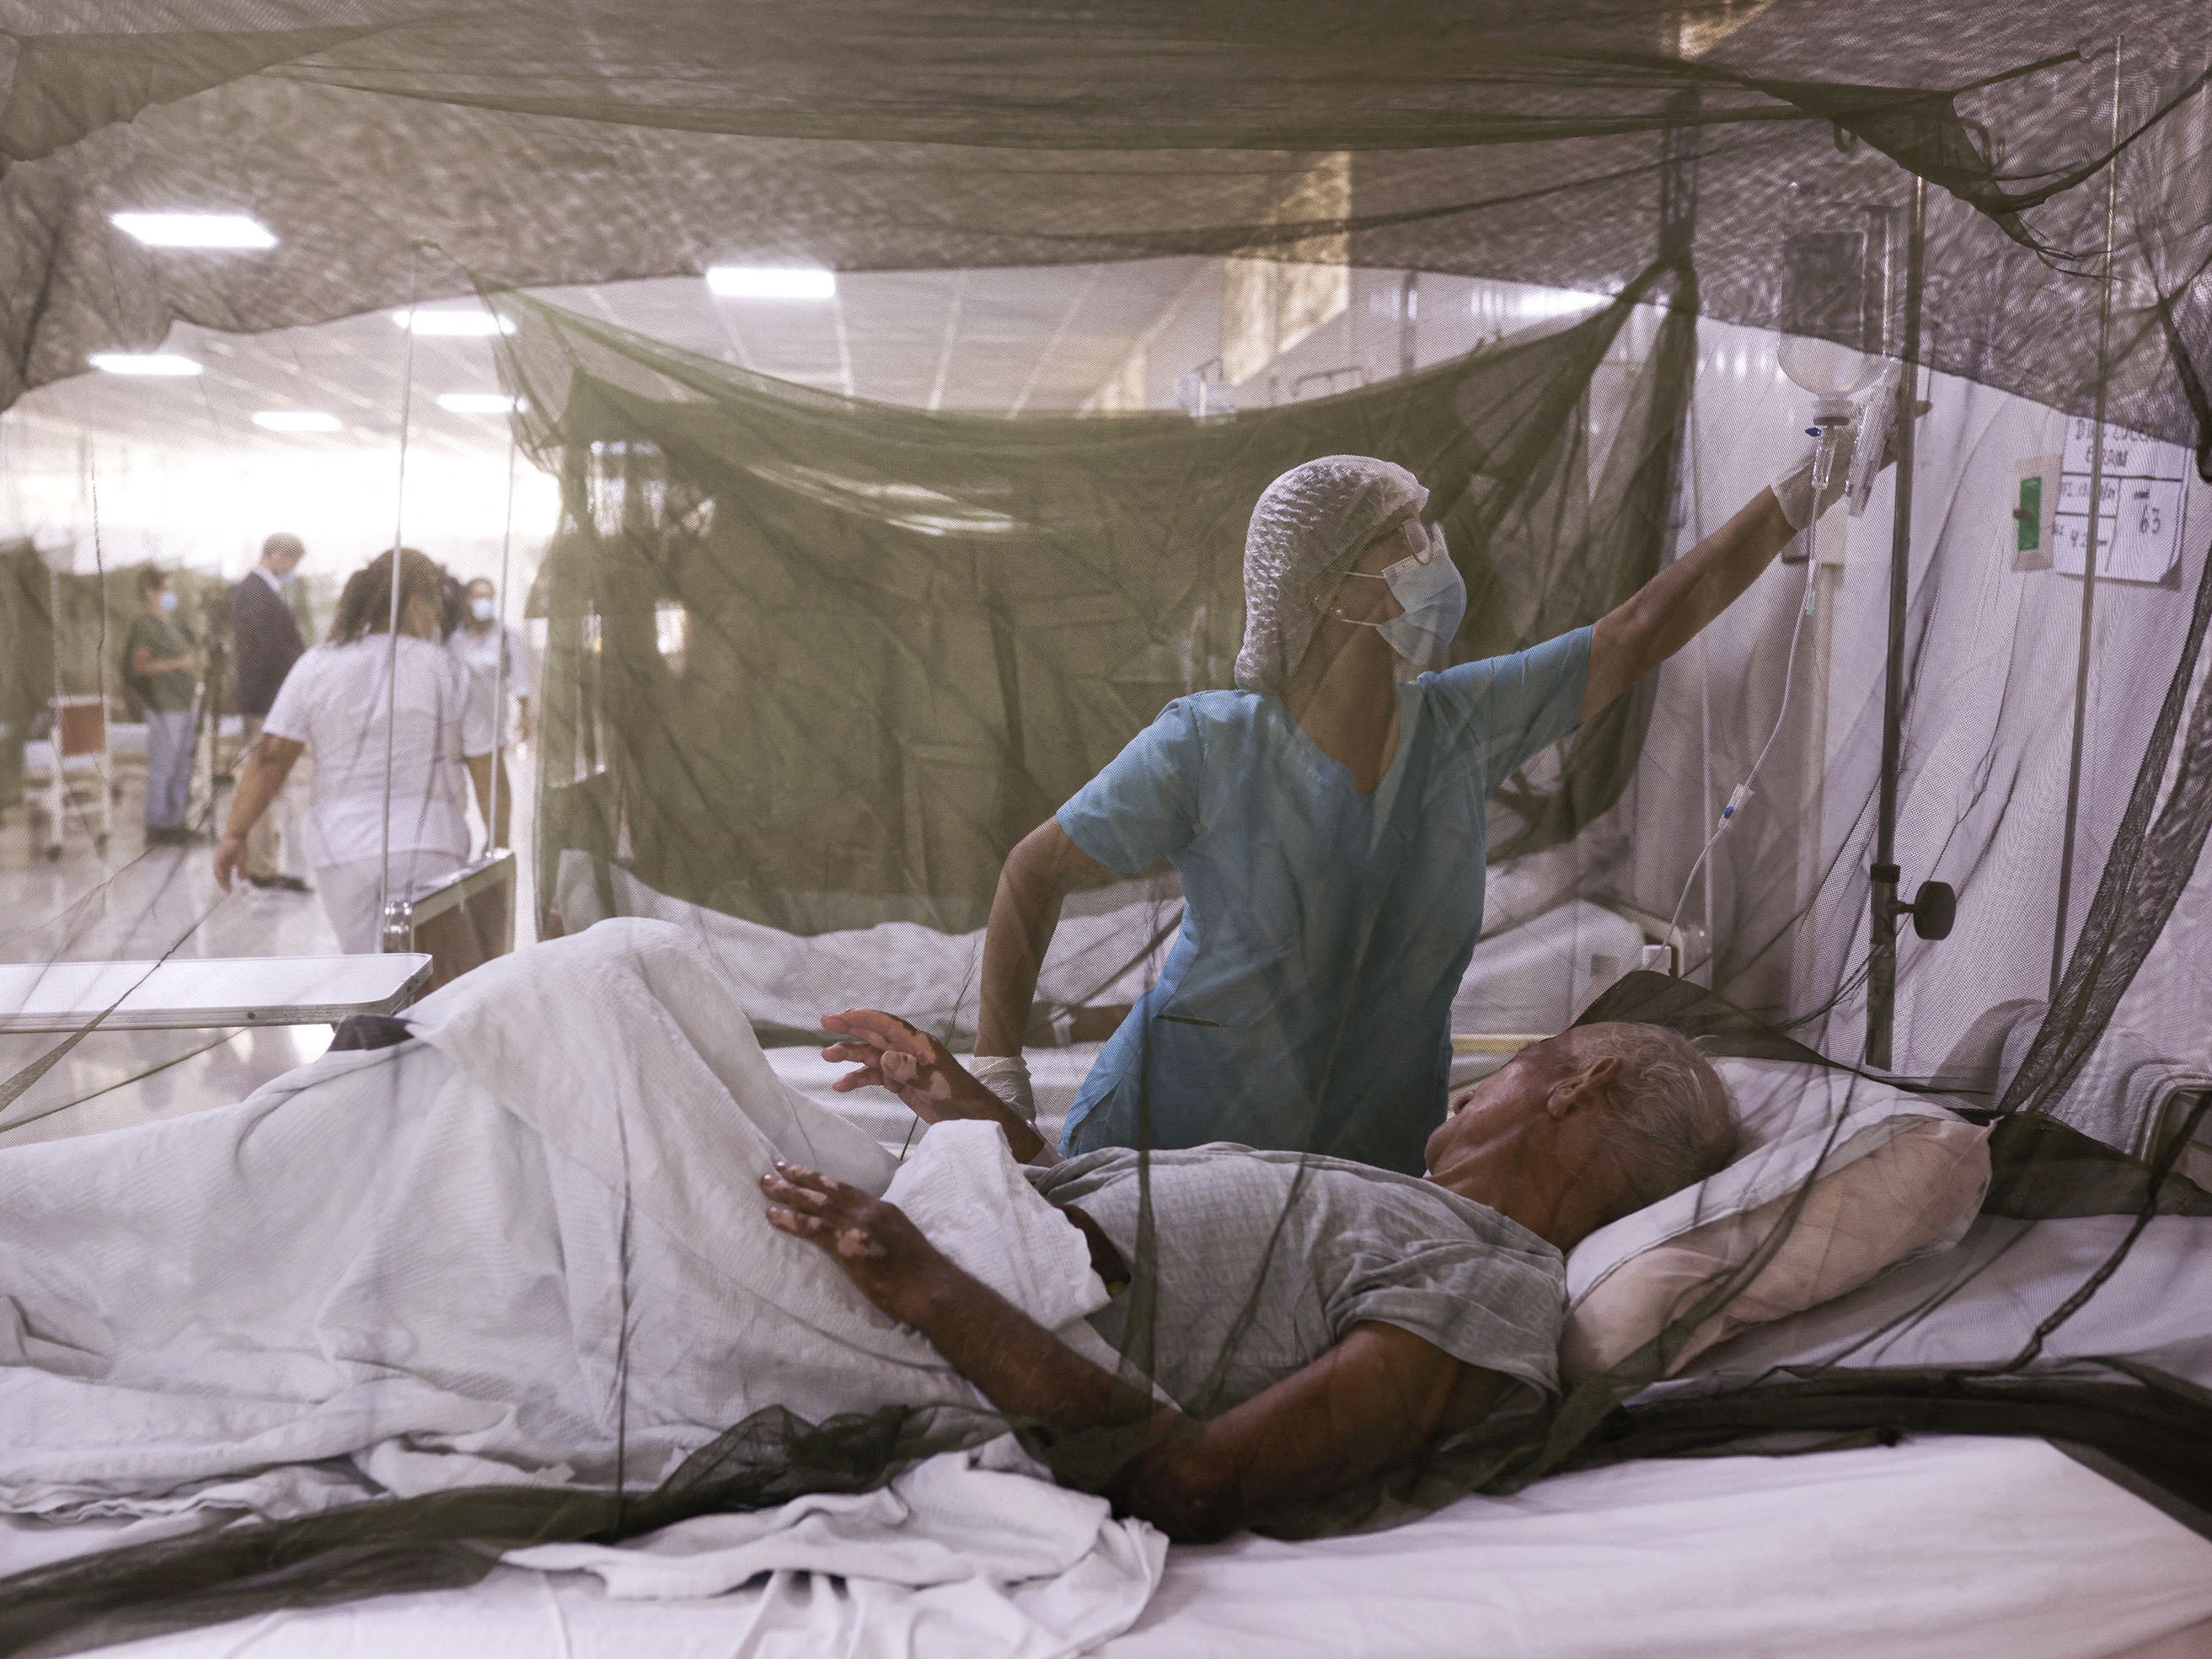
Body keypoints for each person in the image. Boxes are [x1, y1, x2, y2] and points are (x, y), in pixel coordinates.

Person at [972, 437, 1854, 1175]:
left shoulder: (1461, 725)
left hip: (1366, 1165)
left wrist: (1802, 490)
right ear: (1330, 590)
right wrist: (999, 1066)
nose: (1436, 551)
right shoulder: (1210, 746)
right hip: (1162, 1147)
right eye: (1404, 537)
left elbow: (1638, 631)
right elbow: (1032, 870)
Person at [780, 1006, 1736, 1540]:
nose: (1485, 1081)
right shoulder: (1412, 1202)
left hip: (900, 1317)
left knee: (626, 977)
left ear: (1580, 1085)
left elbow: (1196, 1482)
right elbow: (1099, 1225)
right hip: (895, 1253)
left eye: (1530, 1059)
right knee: (633, 983)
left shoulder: (1495, 1279)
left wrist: (928, 1286)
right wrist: (956, 1100)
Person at [214, 547, 495, 951]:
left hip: (341, 850)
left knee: (365, 976)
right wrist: (495, 847)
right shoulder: (449, 669)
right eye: (434, 606)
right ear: (415, 604)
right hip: (431, 845)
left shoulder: (318, 664)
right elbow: (487, 772)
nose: (437, 618)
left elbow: (270, 757)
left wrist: (235, 834)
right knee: (427, 977)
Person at [229, 532, 309, 891]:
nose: (292, 570)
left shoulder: (260, 591)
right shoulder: (256, 594)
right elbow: (273, 651)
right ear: (276, 555)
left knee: (267, 782)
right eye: (291, 562)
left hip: (269, 700)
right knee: (263, 780)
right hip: (268, 701)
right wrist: (305, 675)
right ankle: (262, 866)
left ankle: (266, 861)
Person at [447, 575, 532, 849]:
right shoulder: (453, 638)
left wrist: (524, 713)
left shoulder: (506, 636)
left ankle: (496, 844)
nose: (486, 604)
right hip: (455, 726)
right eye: (480, 597)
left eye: (490, 597)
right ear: (467, 601)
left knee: (492, 793)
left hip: (490, 724)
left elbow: (520, 677)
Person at [126, 565, 201, 846]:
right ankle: (157, 824)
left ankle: (176, 821)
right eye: (165, 589)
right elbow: (140, 666)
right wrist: (177, 664)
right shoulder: (146, 625)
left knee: (183, 765)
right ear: (150, 592)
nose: (171, 594)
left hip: (184, 704)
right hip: (164, 705)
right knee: (164, 765)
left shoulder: (173, 623)